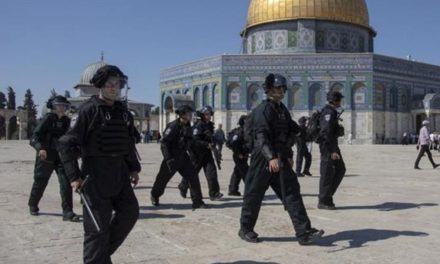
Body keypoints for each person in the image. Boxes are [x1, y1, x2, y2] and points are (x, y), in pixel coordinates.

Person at [58, 65, 140, 263]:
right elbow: (65, 144)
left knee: (130, 213)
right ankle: (96, 259)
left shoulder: (123, 112)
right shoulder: (88, 110)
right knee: (97, 228)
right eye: (110, 84)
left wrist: (133, 168)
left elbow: (127, 141)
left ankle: (100, 258)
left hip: (119, 173)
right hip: (95, 175)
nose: (114, 88)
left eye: (118, 84)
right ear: (100, 86)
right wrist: (74, 177)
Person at [239, 73, 324, 245]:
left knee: (292, 192)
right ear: (269, 89)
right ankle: (245, 229)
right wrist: (270, 157)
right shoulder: (263, 110)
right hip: (263, 159)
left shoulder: (282, 110)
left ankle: (304, 232)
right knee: (254, 194)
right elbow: (261, 136)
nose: (281, 91)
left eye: (283, 88)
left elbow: (292, 131)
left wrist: (313, 126)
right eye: (278, 88)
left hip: (280, 157)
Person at [28, 95, 80, 222]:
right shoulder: (47, 119)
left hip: (62, 157)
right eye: (59, 106)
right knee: (40, 182)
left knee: (66, 184)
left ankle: (67, 212)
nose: (62, 108)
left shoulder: (67, 122)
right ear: (53, 107)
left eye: (64, 106)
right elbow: (34, 137)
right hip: (46, 157)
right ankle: (33, 204)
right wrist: (40, 148)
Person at [150, 105, 206, 209]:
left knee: (193, 176)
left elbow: (189, 141)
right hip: (172, 157)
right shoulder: (173, 126)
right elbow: (164, 143)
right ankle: (154, 195)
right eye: (189, 113)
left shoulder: (188, 125)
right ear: (183, 115)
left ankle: (197, 201)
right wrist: (168, 158)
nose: (191, 115)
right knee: (162, 180)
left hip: (183, 157)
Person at [178, 106, 224, 201]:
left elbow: (211, 138)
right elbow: (194, 140)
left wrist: (214, 143)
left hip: (207, 154)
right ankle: (183, 186)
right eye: (206, 114)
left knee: (212, 173)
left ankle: (214, 193)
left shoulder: (210, 125)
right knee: (192, 174)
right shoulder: (198, 125)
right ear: (202, 115)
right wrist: (206, 144)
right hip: (196, 155)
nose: (209, 116)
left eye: (210, 114)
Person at [317, 91, 346, 210]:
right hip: (328, 146)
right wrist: (332, 150)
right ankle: (323, 200)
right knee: (327, 172)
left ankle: (327, 195)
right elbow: (326, 132)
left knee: (340, 169)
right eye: (339, 100)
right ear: (334, 101)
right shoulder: (328, 112)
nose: (340, 102)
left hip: (332, 145)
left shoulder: (332, 112)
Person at [227, 115, 249, 196]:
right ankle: (251, 191)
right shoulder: (239, 132)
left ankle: (233, 190)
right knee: (247, 173)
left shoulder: (246, 131)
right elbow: (233, 143)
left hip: (243, 155)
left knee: (237, 172)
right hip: (239, 156)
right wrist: (238, 153)